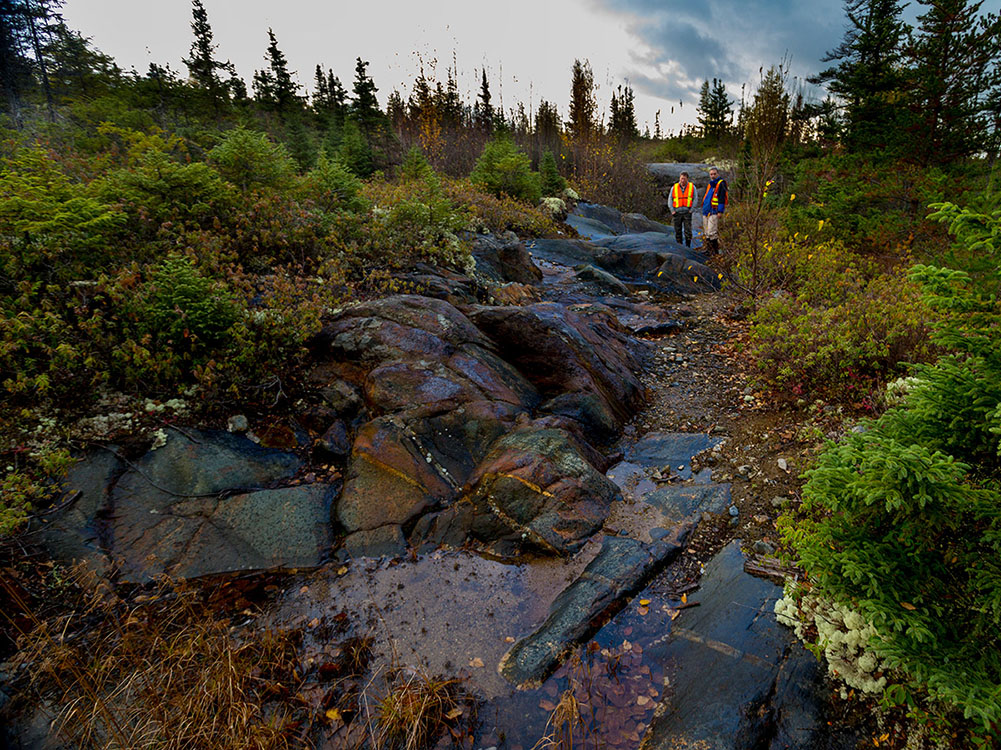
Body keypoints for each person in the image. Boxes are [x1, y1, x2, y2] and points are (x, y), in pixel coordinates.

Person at [701, 166, 728, 254]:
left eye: (714, 174)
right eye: (711, 174)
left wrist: (720, 211)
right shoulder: (710, 184)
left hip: (714, 211)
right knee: (707, 232)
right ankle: (709, 250)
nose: (712, 176)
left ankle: (715, 251)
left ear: (718, 174)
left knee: (712, 232)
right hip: (706, 211)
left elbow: (721, 198)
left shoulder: (721, 183)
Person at [668, 171, 698, 247]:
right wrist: (672, 210)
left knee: (688, 230)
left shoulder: (692, 187)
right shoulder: (674, 187)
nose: (682, 180)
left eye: (684, 179)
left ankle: (688, 246)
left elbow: (695, 198)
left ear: (687, 179)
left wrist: (691, 210)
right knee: (677, 230)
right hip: (676, 213)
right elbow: (670, 199)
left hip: (687, 212)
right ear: (679, 178)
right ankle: (680, 246)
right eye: (681, 179)